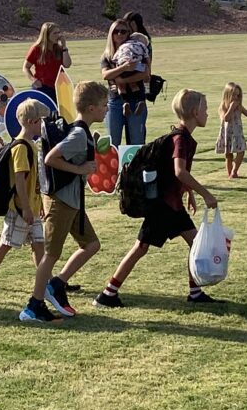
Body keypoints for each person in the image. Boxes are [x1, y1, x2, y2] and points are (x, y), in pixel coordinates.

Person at [94, 88, 220, 308]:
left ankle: (195, 292)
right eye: (205, 109)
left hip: (172, 205)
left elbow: (174, 174)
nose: (208, 114)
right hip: (163, 207)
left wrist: (187, 192)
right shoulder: (181, 140)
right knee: (141, 248)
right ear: (194, 112)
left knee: (195, 244)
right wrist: (205, 194)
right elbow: (179, 171)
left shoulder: (181, 137)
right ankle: (108, 293)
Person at [31, 80, 109, 319]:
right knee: (51, 254)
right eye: (104, 105)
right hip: (61, 201)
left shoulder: (83, 133)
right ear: (91, 108)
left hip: (73, 201)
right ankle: (34, 305)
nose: (107, 109)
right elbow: (50, 159)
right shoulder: (77, 134)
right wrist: (81, 169)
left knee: (91, 245)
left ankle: (57, 284)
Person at [0, 99, 49, 308]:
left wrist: (39, 203)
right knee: (7, 242)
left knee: (38, 244)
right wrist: (25, 207)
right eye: (41, 122)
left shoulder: (32, 145)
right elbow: (19, 179)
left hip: (32, 207)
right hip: (19, 208)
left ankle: (45, 281)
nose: (43, 126)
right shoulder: (21, 148)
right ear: (32, 121)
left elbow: (33, 179)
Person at [100, 20, 148, 147]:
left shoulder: (136, 51)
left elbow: (145, 74)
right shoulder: (107, 56)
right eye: (116, 31)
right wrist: (124, 68)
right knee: (112, 142)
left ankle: (134, 167)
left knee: (136, 142)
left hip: (136, 101)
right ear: (111, 34)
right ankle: (113, 167)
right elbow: (105, 75)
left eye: (123, 31)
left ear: (129, 34)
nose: (119, 34)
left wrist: (122, 80)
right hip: (115, 101)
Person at [216, 82, 247, 177]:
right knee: (228, 155)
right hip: (227, 134)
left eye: (238, 95)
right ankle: (230, 173)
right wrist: (231, 107)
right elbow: (226, 118)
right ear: (228, 95)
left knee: (241, 152)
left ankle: (234, 170)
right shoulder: (222, 107)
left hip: (237, 133)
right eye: (234, 95)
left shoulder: (239, 106)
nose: (236, 98)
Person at [24, 22, 71, 96]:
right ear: (46, 35)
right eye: (55, 33)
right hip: (42, 88)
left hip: (59, 87)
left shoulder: (59, 48)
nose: (58, 36)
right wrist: (33, 80)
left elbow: (67, 64)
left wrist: (64, 47)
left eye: (59, 32)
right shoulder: (36, 49)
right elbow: (26, 67)